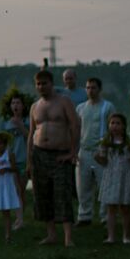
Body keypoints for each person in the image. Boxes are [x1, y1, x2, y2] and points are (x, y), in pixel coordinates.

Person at [28, 70, 80, 246]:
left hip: (60, 154)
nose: (41, 87)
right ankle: (51, 234)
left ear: (51, 83)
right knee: (43, 195)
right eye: (38, 84)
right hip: (39, 153)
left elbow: (74, 125)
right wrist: (30, 160)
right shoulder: (35, 106)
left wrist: (73, 152)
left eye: (44, 83)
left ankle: (68, 237)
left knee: (62, 194)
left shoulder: (64, 101)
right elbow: (31, 133)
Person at [95, 113, 130, 244]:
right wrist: (97, 156)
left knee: (125, 207)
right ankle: (111, 236)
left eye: (118, 123)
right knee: (111, 207)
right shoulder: (105, 142)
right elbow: (103, 161)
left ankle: (126, 236)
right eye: (112, 123)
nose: (114, 126)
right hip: (111, 175)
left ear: (123, 126)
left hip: (125, 175)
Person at [74, 77, 116, 227]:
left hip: (101, 150)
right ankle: (84, 215)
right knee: (82, 186)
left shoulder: (107, 107)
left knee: (103, 185)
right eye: (88, 88)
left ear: (99, 89)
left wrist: (107, 149)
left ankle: (106, 217)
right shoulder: (80, 108)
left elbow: (113, 128)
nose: (90, 91)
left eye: (93, 88)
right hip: (84, 151)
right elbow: (76, 130)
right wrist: (74, 151)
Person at [0, 88, 32, 217]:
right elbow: (1, 142)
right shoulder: (5, 123)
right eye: (13, 103)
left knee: (22, 190)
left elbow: (31, 137)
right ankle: (19, 219)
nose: (15, 105)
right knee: (16, 189)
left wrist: (20, 125)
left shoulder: (28, 121)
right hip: (10, 160)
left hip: (24, 160)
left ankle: (21, 216)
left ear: (23, 106)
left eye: (18, 103)